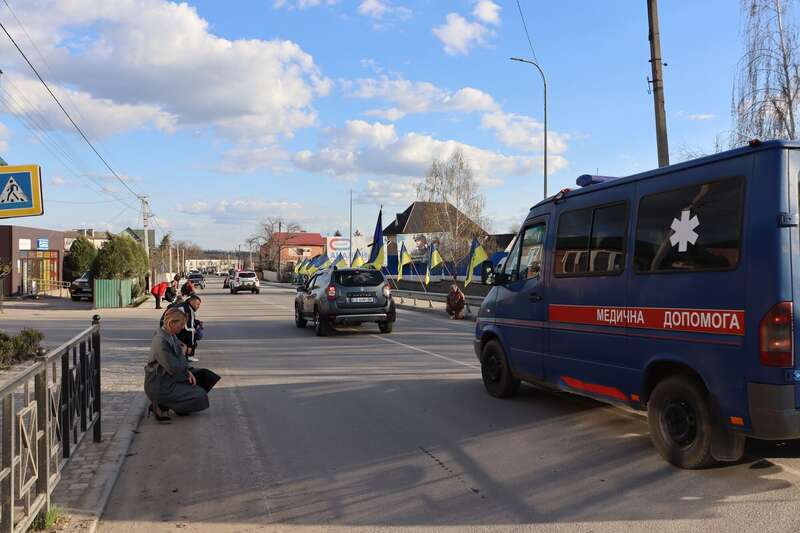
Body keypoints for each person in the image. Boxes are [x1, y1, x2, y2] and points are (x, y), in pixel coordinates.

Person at [144, 308, 220, 421]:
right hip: (160, 386)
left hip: (167, 378)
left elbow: (177, 361)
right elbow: (174, 368)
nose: (183, 327)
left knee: (205, 376)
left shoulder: (169, 334)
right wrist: (183, 358)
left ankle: (175, 405)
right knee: (200, 394)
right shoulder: (161, 341)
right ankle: (162, 404)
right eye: (181, 324)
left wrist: (187, 371)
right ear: (171, 323)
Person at [177, 294, 203, 363]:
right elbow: (189, 329)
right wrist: (190, 346)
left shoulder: (185, 306)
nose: (198, 307)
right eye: (197, 304)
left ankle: (185, 356)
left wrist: (197, 322)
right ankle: (189, 356)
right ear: (191, 302)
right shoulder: (188, 309)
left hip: (168, 328)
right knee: (195, 335)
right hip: (174, 331)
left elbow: (191, 321)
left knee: (192, 335)